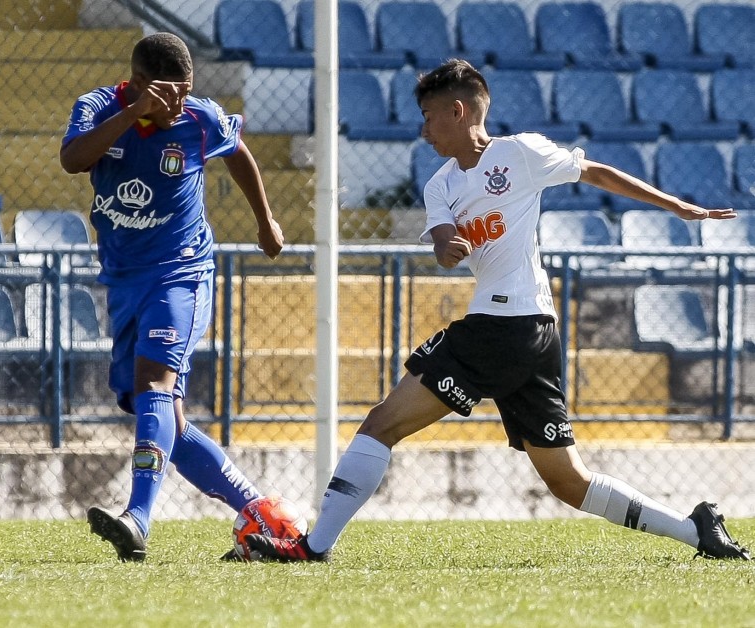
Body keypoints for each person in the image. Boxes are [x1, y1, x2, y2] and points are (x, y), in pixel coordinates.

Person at [247, 59, 750, 563]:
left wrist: (678, 207)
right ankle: (695, 530)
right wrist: (447, 249)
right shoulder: (441, 184)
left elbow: (595, 171)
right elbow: (444, 240)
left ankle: (314, 547)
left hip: (504, 327)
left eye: (428, 116)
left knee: (381, 424)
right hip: (531, 334)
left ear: (458, 111)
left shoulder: (520, 154)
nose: (423, 131)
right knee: (568, 482)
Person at [60, 32, 284, 562]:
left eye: (186, 92)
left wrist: (265, 218)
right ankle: (259, 512)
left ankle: (138, 518)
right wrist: (132, 113)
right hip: (123, 280)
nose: (180, 104)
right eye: (168, 93)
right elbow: (73, 159)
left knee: (155, 384)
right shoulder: (97, 107)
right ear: (138, 84)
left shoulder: (199, 119)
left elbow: (239, 152)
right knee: (164, 419)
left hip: (182, 271)